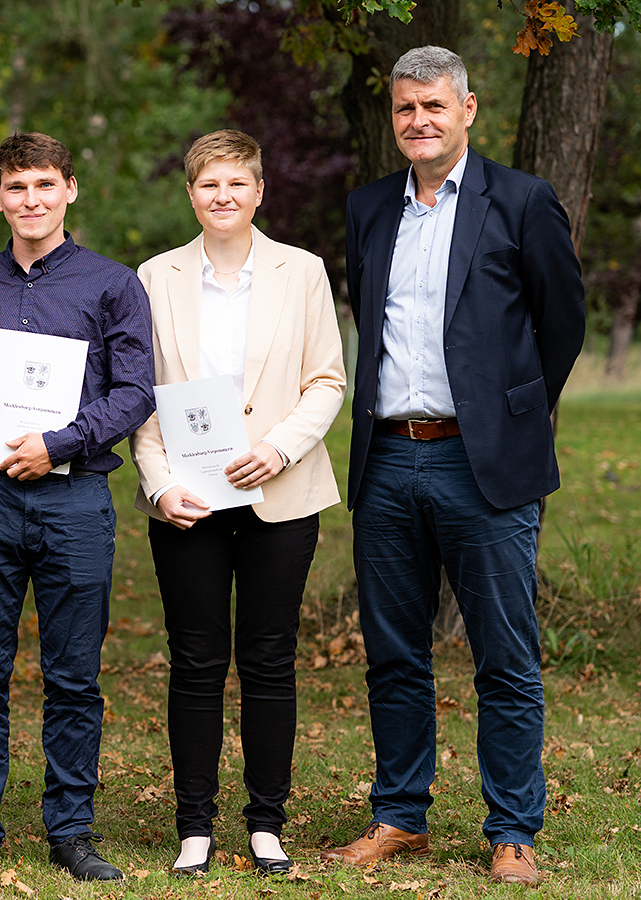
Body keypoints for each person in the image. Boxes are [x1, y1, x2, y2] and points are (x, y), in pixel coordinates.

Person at [320, 47, 585, 887]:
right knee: (394, 653)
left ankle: (512, 828)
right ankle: (400, 814)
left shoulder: (522, 201)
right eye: (405, 108)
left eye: (434, 106)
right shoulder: (368, 208)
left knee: (505, 655)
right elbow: (373, 318)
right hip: (391, 459)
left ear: (468, 109)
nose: (419, 121)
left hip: (486, 465)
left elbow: (561, 322)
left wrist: (511, 414)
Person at [0, 133, 155, 882]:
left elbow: (135, 392)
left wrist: (60, 443)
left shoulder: (112, 285)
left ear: (70, 189)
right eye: (16, 188)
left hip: (74, 498)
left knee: (74, 676)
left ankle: (71, 831)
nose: (31, 200)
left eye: (45, 185)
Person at [128, 130, 345, 876]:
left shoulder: (303, 272)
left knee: (269, 659)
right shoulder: (153, 278)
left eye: (236, 183)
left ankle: (265, 823)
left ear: (260, 191)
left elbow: (327, 381)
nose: (223, 196)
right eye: (208, 184)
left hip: (278, 493)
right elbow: (141, 399)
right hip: (188, 499)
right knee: (193, 662)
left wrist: (279, 447)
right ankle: (194, 827)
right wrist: (159, 485)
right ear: (190, 194)